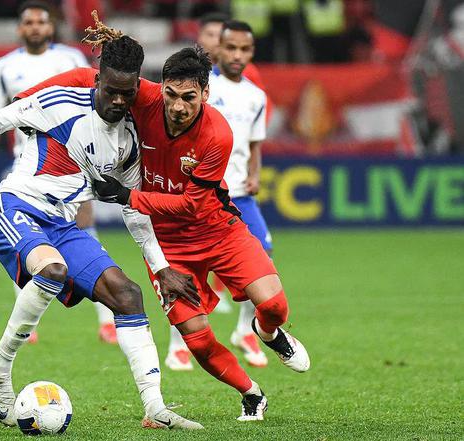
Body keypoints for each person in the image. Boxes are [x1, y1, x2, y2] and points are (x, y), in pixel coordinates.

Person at [0, 30, 203, 430]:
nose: (119, 101)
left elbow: (134, 210)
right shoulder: (59, 103)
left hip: (62, 225)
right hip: (15, 206)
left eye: (128, 93)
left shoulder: (130, 140)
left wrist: (161, 267)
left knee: (128, 295)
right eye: (112, 91)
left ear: (138, 86)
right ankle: (0, 367)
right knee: (52, 270)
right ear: (97, 80)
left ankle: (155, 408)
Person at [19, 38, 310, 422]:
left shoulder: (217, 135)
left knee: (274, 306)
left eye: (189, 98)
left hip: (219, 230)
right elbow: (84, 77)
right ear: (162, 88)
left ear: (205, 94)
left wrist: (128, 195)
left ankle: (267, 332)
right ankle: (251, 393)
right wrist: (24, 101)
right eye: (171, 94)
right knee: (198, 340)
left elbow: (192, 204)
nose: (177, 106)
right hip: (168, 244)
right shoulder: (145, 97)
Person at [0, 0, 117, 344]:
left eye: (41, 22)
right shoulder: (5, 66)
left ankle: (106, 321)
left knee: (84, 228)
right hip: (26, 166)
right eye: (29, 22)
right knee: (24, 242)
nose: (35, 27)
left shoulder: (70, 59)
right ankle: (27, 324)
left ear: (51, 27)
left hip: (73, 163)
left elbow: (95, 105)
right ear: (20, 28)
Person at [164, 14, 274, 372]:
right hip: (200, 195)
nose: (237, 55)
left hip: (239, 195)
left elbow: (254, 143)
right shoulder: (201, 89)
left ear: (252, 52)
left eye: (244, 49)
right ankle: (178, 345)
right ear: (219, 48)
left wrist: (254, 173)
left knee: (263, 256)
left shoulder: (256, 96)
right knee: (187, 273)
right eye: (230, 47)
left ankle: (245, 331)